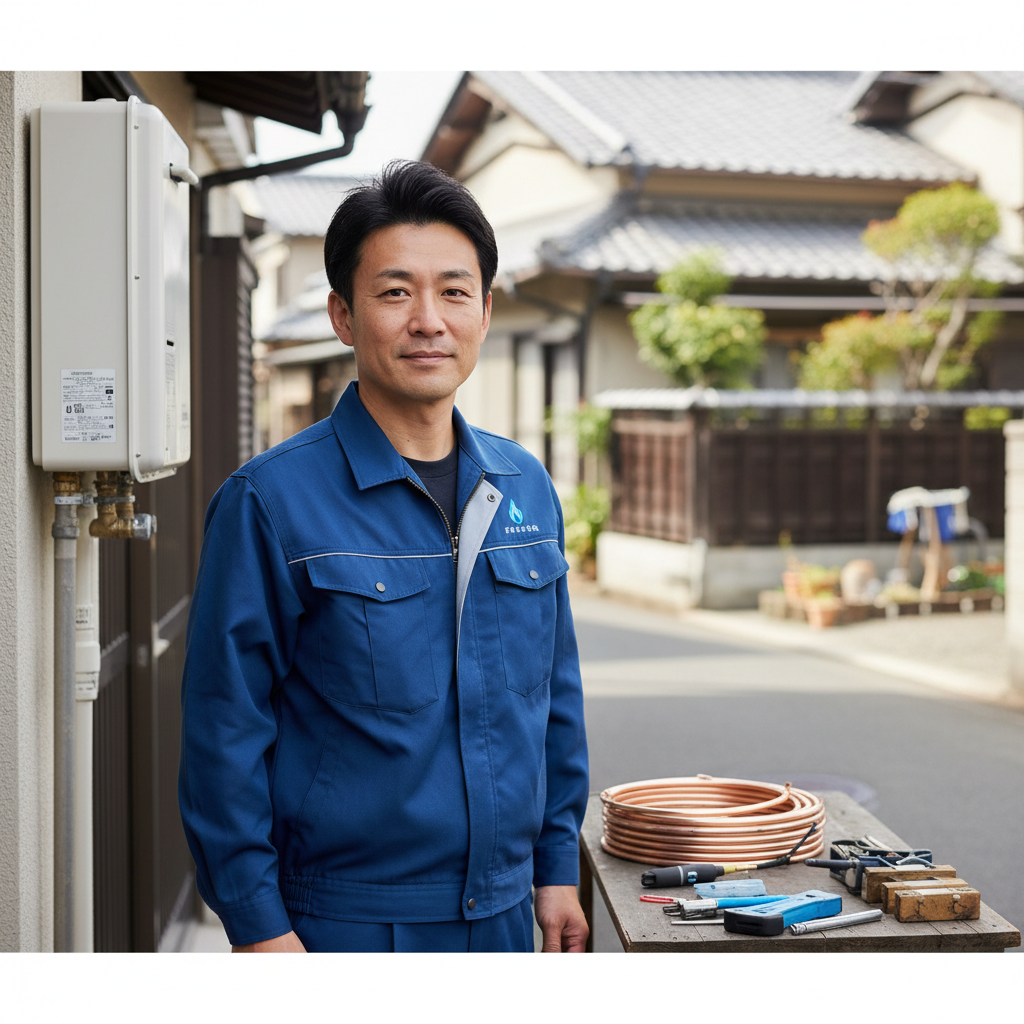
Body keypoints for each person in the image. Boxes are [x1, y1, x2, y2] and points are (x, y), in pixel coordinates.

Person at [178, 160, 590, 953]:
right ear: (342, 314)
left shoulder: (525, 486)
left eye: (455, 291)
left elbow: (554, 699)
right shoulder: (270, 500)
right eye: (396, 292)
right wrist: (259, 928)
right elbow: (223, 731)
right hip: (343, 922)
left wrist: (554, 867)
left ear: (486, 310)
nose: (429, 319)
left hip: (504, 916)